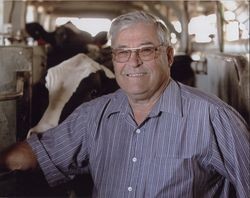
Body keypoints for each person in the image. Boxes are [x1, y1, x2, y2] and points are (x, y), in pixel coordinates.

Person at [0, 11, 249, 198]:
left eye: (146, 50)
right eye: (122, 52)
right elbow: (39, 154)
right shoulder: (93, 115)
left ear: (169, 56)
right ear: (114, 59)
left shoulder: (214, 118)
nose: (134, 62)